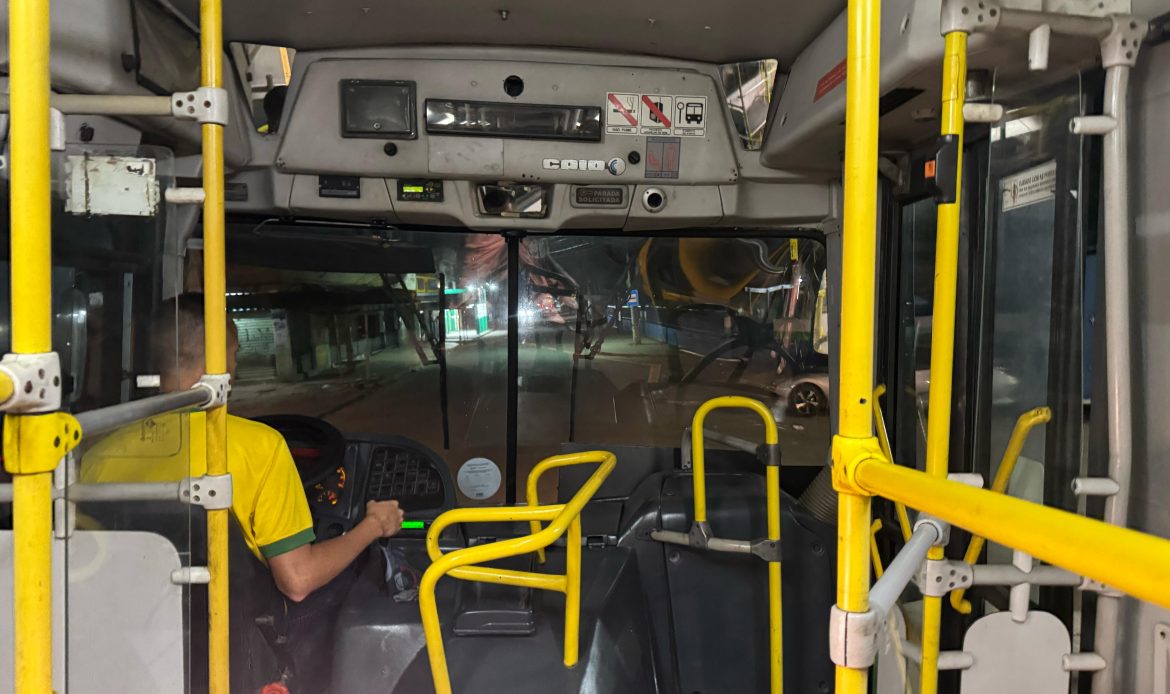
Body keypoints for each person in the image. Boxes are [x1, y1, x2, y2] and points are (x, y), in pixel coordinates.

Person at [81, 293, 404, 603]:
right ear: (217, 359)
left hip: (133, 621)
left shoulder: (99, 455)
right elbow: (298, 581)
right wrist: (373, 525)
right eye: (234, 353)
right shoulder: (261, 446)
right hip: (239, 628)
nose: (235, 364)